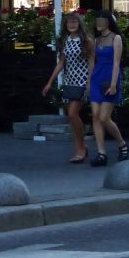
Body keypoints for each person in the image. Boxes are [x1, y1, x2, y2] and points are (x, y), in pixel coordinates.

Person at [42, 12, 92, 163]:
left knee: (72, 114)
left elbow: (91, 61)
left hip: (81, 79)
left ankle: (81, 148)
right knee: (71, 117)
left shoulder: (86, 41)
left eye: (74, 22)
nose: (71, 25)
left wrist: (89, 81)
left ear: (79, 24)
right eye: (69, 23)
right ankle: (78, 147)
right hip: (69, 80)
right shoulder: (65, 41)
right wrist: (50, 82)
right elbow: (61, 63)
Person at [88, 10, 128, 166]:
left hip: (110, 76)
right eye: (97, 21)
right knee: (95, 116)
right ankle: (101, 152)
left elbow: (117, 63)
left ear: (108, 22)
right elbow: (91, 62)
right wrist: (88, 82)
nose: (99, 24)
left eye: (101, 20)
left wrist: (113, 84)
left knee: (104, 117)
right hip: (96, 77)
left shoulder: (116, 38)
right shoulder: (95, 40)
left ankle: (122, 144)